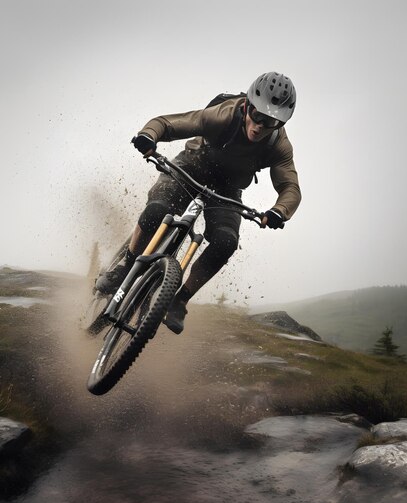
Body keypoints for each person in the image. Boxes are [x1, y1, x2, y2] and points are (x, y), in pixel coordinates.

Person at [96, 71, 301, 334]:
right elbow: (169, 123)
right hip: (191, 166)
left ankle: (179, 300)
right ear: (248, 106)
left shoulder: (278, 144)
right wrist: (149, 135)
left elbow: (290, 187)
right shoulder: (224, 115)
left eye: (271, 121)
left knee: (226, 242)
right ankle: (127, 265)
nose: (261, 125)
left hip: (228, 189)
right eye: (258, 115)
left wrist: (279, 211)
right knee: (157, 210)